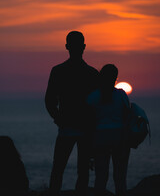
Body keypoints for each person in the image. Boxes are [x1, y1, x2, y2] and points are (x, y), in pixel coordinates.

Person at [45, 31, 99, 196]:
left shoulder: (58, 71)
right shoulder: (92, 74)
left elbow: (49, 100)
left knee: (59, 168)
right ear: (84, 47)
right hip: (83, 128)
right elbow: (98, 104)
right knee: (82, 169)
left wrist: (58, 118)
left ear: (67, 46)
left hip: (70, 127)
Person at [87, 64, 131, 196]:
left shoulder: (93, 97)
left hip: (100, 138)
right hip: (119, 137)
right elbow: (126, 117)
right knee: (120, 177)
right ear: (115, 78)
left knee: (101, 177)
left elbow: (89, 122)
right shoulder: (121, 95)